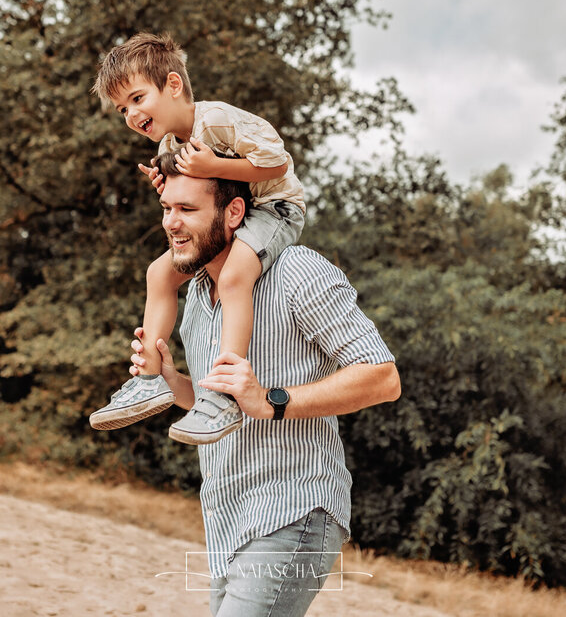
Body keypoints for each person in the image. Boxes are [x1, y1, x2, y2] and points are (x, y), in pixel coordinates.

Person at [128, 153, 401, 616]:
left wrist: (272, 401)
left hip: (294, 507)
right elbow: (224, 401)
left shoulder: (297, 270)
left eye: (187, 209)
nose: (171, 223)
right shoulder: (196, 295)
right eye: (167, 208)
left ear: (234, 212)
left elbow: (382, 376)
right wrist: (176, 384)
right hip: (227, 517)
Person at [88, 32, 306, 445]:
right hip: (230, 214)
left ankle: (224, 393)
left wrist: (214, 166)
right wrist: (165, 181)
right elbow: (198, 195)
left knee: (234, 277)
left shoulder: (216, 119)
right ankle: (149, 379)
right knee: (158, 274)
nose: (131, 114)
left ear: (172, 84)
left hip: (273, 207)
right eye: (122, 109)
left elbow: (277, 163)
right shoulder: (170, 144)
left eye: (137, 98)